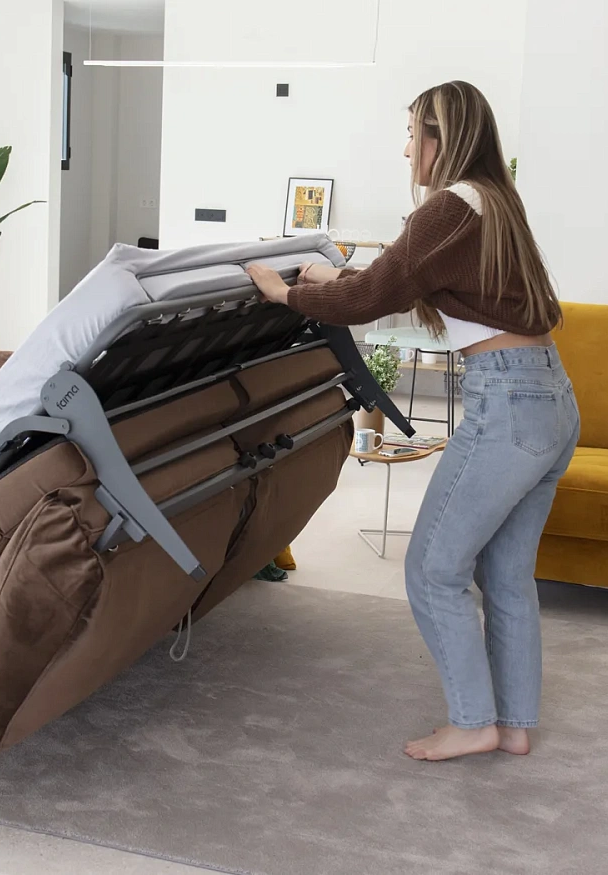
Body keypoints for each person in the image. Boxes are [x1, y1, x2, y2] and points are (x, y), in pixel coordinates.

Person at [246, 80, 581, 761]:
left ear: (440, 138)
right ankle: (513, 724)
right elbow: (398, 281)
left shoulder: (448, 207)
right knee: (507, 574)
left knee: (432, 567)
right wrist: (331, 276)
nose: (405, 150)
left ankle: (474, 721)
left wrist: (285, 292)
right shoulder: (495, 201)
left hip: (507, 401)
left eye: (411, 134)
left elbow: (371, 297)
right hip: (550, 396)